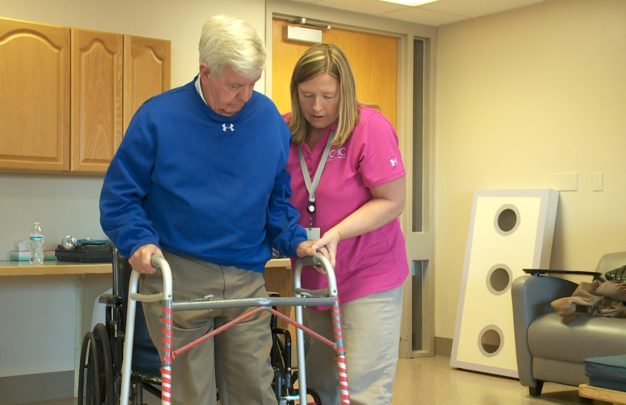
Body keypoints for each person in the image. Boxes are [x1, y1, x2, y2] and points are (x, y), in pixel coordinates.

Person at [99, 15, 319, 405]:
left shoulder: (269, 120)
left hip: (245, 275)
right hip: (179, 272)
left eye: (253, 84)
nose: (246, 96)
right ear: (205, 71)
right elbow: (120, 196)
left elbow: (277, 202)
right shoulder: (158, 118)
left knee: (255, 388)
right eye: (235, 85)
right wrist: (138, 240)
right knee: (192, 395)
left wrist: (295, 239)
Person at [284, 43, 409, 404]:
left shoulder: (369, 127)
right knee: (319, 387)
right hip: (313, 275)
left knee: (361, 390)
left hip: (368, 273)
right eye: (307, 95)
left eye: (328, 96)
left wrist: (337, 233)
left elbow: (392, 200)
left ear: (346, 92)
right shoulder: (284, 129)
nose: (317, 107)